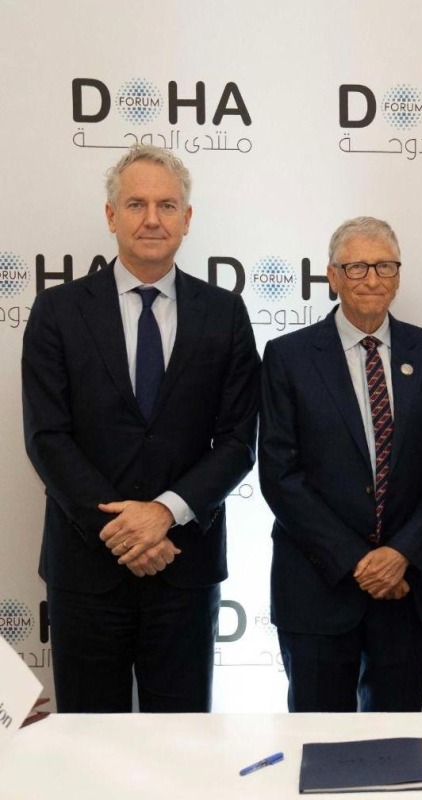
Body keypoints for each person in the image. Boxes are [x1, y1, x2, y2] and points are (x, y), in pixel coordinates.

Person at [22, 144, 260, 713]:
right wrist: (124, 529)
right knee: (89, 746)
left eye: (167, 205)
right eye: (136, 204)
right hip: (86, 571)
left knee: (182, 747)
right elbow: (47, 437)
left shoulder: (224, 314)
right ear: (111, 216)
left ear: (187, 218)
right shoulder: (57, 311)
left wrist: (164, 514)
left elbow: (236, 442)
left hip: (185, 565)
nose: (152, 218)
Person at [259, 216, 422, 712]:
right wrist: (357, 561)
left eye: (385, 266)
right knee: (318, 742)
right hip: (317, 587)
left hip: (405, 588)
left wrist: (400, 555)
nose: (372, 279)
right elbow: (280, 476)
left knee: (397, 748)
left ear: (399, 274)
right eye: (356, 267)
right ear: (332, 276)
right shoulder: (288, 356)